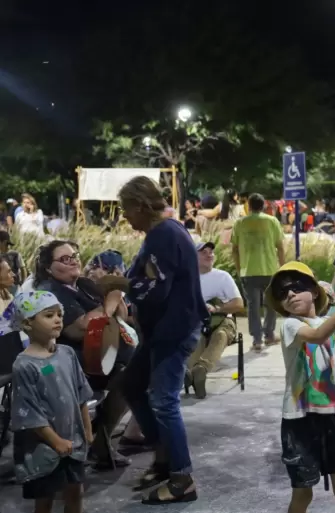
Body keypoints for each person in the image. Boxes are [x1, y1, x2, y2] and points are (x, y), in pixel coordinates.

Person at [118, 176, 208, 504]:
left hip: (174, 329)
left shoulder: (162, 235)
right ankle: (164, 456)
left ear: (141, 205)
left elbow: (157, 289)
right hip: (166, 330)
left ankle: (182, 478)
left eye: (125, 208)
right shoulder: (167, 231)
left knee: (164, 400)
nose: (124, 216)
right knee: (132, 385)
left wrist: (123, 284)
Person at [265, 262, 335, 513]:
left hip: (330, 414)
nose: (289, 294)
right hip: (299, 419)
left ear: (315, 292)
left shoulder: (327, 321)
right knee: (303, 492)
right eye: (282, 293)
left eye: (296, 288)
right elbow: (318, 335)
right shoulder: (290, 325)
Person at [35, 241, 133, 469]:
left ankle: (101, 435)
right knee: (132, 377)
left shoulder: (85, 284)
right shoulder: (51, 292)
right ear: (49, 268)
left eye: (75, 256)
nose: (73, 261)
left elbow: (122, 316)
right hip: (75, 363)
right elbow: (82, 329)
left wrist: (116, 295)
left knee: (138, 372)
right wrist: (110, 302)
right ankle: (100, 437)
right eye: (64, 259)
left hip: (105, 355)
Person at [7, 291, 94, 513]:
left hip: (73, 443)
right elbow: (28, 412)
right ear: (27, 323)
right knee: (44, 500)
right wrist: (55, 442)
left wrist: (87, 427)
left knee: (75, 492)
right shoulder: (24, 365)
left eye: (59, 314)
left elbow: (81, 393)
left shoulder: (67, 354)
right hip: (44, 448)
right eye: (48, 315)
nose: (57, 319)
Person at [184, 242, 244, 399]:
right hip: (196, 324)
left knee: (221, 335)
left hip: (223, 321)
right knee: (194, 338)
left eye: (211, 252)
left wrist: (217, 309)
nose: (209, 254)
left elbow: (239, 304)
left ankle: (200, 370)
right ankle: (192, 374)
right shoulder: (186, 279)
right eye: (203, 252)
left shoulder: (223, 277)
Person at [231, 193, 285, 351]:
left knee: (253, 306)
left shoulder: (240, 223)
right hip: (270, 269)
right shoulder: (272, 221)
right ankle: (269, 335)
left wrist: (239, 267)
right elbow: (280, 247)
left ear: (249, 205)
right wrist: (283, 268)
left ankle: (257, 340)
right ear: (263, 206)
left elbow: (234, 249)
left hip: (248, 271)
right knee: (271, 304)